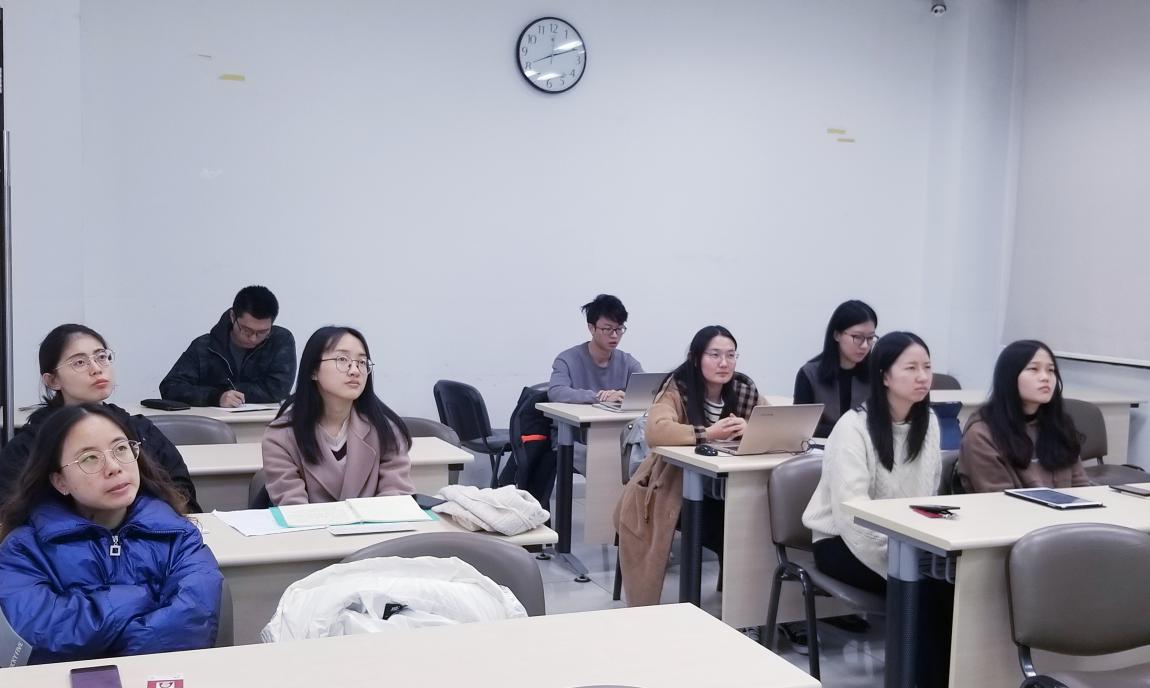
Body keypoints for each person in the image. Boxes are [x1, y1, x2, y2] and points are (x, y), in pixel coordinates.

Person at [0, 404, 222, 664]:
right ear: (60, 481)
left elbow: (192, 624)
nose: (114, 467)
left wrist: (105, 644)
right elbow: (39, 635)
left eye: (121, 449)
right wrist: (140, 597)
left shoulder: (179, 535)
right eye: (90, 458)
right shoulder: (24, 549)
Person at [801, 331, 949, 686]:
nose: (923, 377)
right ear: (884, 376)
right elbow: (851, 514)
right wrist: (901, 562)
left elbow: (927, 496)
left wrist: (920, 553)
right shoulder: (853, 427)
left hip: (906, 542)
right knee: (927, 591)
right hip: (841, 541)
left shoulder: (928, 424)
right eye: (911, 368)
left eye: (927, 367)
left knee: (956, 586)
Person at [614, 325, 767, 606]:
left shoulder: (743, 388)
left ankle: (749, 606)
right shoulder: (678, 387)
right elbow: (656, 431)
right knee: (727, 526)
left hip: (728, 489)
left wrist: (751, 428)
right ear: (696, 358)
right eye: (715, 355)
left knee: (755, 520)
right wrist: (708, 433)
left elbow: (772, 424)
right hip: (672, 488)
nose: (724, 363)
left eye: (731, 355)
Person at [0, 324, 200, 511]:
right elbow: (11, 511)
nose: (96, 368)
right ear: (52, 380)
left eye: (101, 357)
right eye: (79, 362)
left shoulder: (140, 430)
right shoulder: (29, 446)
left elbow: (182, 493)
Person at [262, 326, 414, 505]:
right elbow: (293, 507)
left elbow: (397, 499)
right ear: (313, 370)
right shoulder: (280, 437)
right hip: (311, 524)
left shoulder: (386, 430)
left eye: (362, 362)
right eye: (342, 359)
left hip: (376, 524)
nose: (355, 370)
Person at [958, 340, 1089, 492]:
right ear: (1009, 377)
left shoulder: (1059, 425)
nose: (1045, 377)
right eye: (1034, 369)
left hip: (1069, 507)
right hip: (1012, 507)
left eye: (1051, 370)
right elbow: (998, 499)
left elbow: (1081, 487)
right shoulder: (982, 435)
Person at [160, 285, 296, 407]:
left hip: (263, 422)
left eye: (262, 332)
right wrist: (216, 396)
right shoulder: (204, 347)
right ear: (232, 316)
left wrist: (229, 390)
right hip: (212, 423)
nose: (253, 338)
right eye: (246, 330)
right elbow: (170, 387)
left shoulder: (280, 341)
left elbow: (278, 389)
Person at [794, 300, 878, 438]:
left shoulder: (876, 374)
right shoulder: (809, 373)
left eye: (870, 338)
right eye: (857, 337)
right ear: (837, 335)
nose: (865, 345)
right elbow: (801, 427)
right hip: (821, 447)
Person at [548, 294, 643, 404]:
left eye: (619, 329)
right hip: (578, 415)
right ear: (591, 328)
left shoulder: (627, 362)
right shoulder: (567, 360)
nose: (614, 335)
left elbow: (649, 390)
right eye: (607, 329)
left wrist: (624, 397)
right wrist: (600, 397)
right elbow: (556, 392)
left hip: (613, 416)